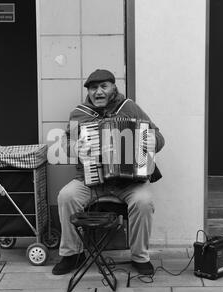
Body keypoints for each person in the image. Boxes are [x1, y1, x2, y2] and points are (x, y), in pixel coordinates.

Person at [52, 69, 165, 276]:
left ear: (114, 87)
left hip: (128, 183)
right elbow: (67, 143)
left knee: (144, 201)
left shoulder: (129, 108)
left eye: (103, 86)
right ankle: (72, 255)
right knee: (66, 196)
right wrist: (75, 147)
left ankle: (139, 257)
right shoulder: (80, 113)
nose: (98, 92)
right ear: (88, 91)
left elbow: (158, 136)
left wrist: (152, 140)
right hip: (90, 181)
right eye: (94, 88)